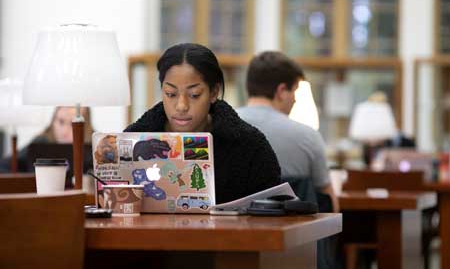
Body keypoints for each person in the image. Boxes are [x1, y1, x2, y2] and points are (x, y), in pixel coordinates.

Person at [124, 43, 281, 204]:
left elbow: (273, 211)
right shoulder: (131, 140)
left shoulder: (250, 146)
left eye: (194, 95)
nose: (181, 106)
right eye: (171, 94)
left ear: (214, 92)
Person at [236, 51, 339, 212]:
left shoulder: (219, 128)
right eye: (295, 91)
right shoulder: (308, 136)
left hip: (232, 234)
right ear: (282, 91)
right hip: (295, 235)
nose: (296, 99)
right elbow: (330, 204)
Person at [0, 106, 94, 172]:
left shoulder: (95, 147)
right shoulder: (40, 143)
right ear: (53, 121)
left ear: (86, 125)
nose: (65, 131)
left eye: (72, 124)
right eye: (61, 122)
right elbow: (6, 165)